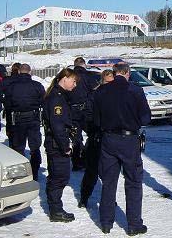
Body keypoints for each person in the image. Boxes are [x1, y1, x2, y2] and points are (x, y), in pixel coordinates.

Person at [95, 63, 151, 235]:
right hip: (129, 140)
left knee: (109, 182)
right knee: (133, 182)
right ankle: (134, 224)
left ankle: (105, 222)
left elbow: (96, 120)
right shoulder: (135, 90)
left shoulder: (101, 91)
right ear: (127, 73)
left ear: (114, 73)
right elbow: (146, 118)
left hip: (108, 139)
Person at [42, 68, 78, 222]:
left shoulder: (59, 95)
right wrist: (66, 146)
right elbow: (57, 125)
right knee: (59, 177)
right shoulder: (56, 98)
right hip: (56, 144)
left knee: (58, 176)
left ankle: (55, 208)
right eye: (73, 81)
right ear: (65, 78)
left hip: (56, 142)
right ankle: (55, 210)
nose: (75, 85)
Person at [78, 68, 114, 209]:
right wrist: (95, 130)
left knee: (110, 173)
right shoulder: (94, 95)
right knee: (91, 172)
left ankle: (109, 198)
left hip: (111, 139)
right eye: (106, 82)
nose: (108, 85)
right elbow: (86, 117)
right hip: (96, 138)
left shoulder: (116, 96)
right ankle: (84, 197)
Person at [4, 64, 45, 181]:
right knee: (35, 147)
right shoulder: (37, 86)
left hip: (17, 119)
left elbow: (7, 104)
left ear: (19, 72)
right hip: (33, 118)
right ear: (29, 72)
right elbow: (43, 100)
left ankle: (21, 173)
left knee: (19, 147)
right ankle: (35, 172)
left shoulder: (12, 87)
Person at [68, 57, 97, 171]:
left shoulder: (69, 77)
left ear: (74, 65)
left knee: (76, 138)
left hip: (72, 112)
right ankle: (88, 159)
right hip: (87, 112)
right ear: (84, 65)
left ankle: (76, 162)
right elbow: (95, 93)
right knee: (93, 135)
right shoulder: (89, 76)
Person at [2, 62, 21, 147]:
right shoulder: (22, 80)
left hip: (9, 106)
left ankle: (11, 142)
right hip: (19, 107)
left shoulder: (6, 80)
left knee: (9, 124)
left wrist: (4, 100)